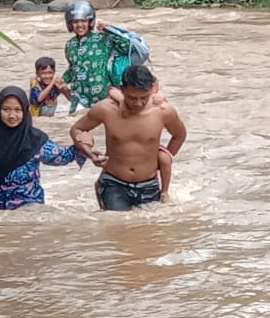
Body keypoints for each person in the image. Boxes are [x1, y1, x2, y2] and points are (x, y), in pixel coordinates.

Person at [70, 65, 187, 211]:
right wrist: (90, 153)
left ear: (151, 89)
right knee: (117, 227)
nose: (138, 103)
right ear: (122, 89)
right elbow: (77, 129)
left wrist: (163, 158)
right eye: (132, 98)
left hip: (149, 184)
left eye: (143, 98)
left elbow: (179, 135)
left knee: (150, 231)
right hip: (114, 182)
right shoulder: (106, 109)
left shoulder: (163, 111)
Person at [0, 87, 87, 214]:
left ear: (25, 111)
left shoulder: (35, 140)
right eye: (6, 110)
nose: (12, 116)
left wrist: (82, 141)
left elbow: (63, 156)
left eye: (18, 110)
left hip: (30, 216)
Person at [62, 1, 135, 113]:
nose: (79, 25)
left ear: (90, 21)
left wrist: (109, 29)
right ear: (70, 23)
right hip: (79, 98)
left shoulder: (103, 38)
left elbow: (127, 46)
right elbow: (73, 68)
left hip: (103, 96)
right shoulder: (70, 45)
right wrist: (61, 81)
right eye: (75, 21)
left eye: (83, 21)